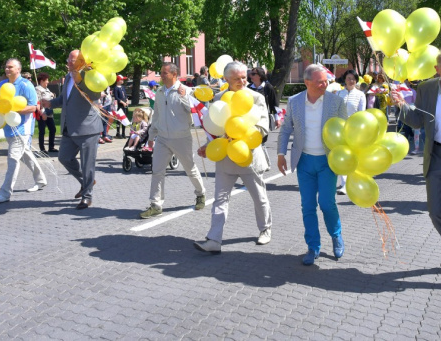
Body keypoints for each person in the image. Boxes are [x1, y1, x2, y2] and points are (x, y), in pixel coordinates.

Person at [194, 61, 272, 253]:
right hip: (225, 158)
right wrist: (208, 146)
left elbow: (263, 127)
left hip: (248, 156)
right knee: (220, 199)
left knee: (259, 197)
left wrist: (241, 135)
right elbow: (215, 128)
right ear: (226, 79)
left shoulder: (256, 97)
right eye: (237, 78)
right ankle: (214, 239)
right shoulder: (219, 98)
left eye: (244, 77)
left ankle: (265, 229)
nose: (242, 81)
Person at [277, 63, 347, 265]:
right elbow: (286, 129)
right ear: (307, 82)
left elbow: (346, 130)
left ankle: (336, 235)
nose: (324, 84)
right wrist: (281, 154)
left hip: (328, 161)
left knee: (326, 203)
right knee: (307, 205)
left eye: (326, 81)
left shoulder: (336, 102)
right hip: (304, 161)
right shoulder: (294, 101)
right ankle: (313, 246)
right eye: (319, 82)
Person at [391, 48, 441, 276]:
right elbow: (417, 121)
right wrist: (401, 105)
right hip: (437, 156)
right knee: (436, 212)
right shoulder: (426, 89)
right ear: (437, 70)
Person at [139, 62, 206, 218]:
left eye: (164, 73)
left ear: (174, 74)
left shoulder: (186, 90)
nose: (161, 76)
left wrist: (184, 97)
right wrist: (151, 135)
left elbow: (192, 111)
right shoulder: (160, 91)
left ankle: (200, 193)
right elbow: (156, 115)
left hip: (181, 137)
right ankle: (156, 204)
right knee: (157, 171)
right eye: (161, 72)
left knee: (190, 168)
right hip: (163, 138)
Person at [42, 50, 103, 209]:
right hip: (69, 127)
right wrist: (50, 103)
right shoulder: (68, 76)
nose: (68, 62)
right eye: (68, 59)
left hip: (87, 128)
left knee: (87, 164)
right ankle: (86, 181)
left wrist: (80, 81)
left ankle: (87, 196)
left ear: (82, 61)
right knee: (64, 157)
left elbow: (95, 95)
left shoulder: (90, 74)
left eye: (72, 60)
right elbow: (65, 99)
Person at [0, 59, 48, 202]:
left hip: (22, 129)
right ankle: (41, 180)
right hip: (8, 127)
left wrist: (13, 109)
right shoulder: (2, 84)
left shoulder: (26, 85)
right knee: (26, 155)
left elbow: (33, 107)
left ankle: (5, 193)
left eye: (10, 67)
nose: (7, 69)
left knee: (13, 158)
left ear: (18, 69)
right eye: (6, 67)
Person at [336, 70, 366, 195]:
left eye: (353, 78)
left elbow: (361, 114)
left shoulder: (360, 95)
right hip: (340, 129)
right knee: (342, 156)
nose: (351, 81)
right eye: (348, 78)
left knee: (352, 156)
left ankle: (353, 181)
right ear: (345, 79)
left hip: (354, 130)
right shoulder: (339, 93)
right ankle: (344, 184)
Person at [35, 72, 58, 155]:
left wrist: (53, 95)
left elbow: (51, 98)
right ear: (42, 81)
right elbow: (38, 102)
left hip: (49, 113)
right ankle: (42, 149)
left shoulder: (47, 89)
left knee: (53, 129)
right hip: (42, 112)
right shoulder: (37, 89)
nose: (48, 82)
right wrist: (42, 113)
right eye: (46, 80)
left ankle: (51, 147)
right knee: (42, 131)